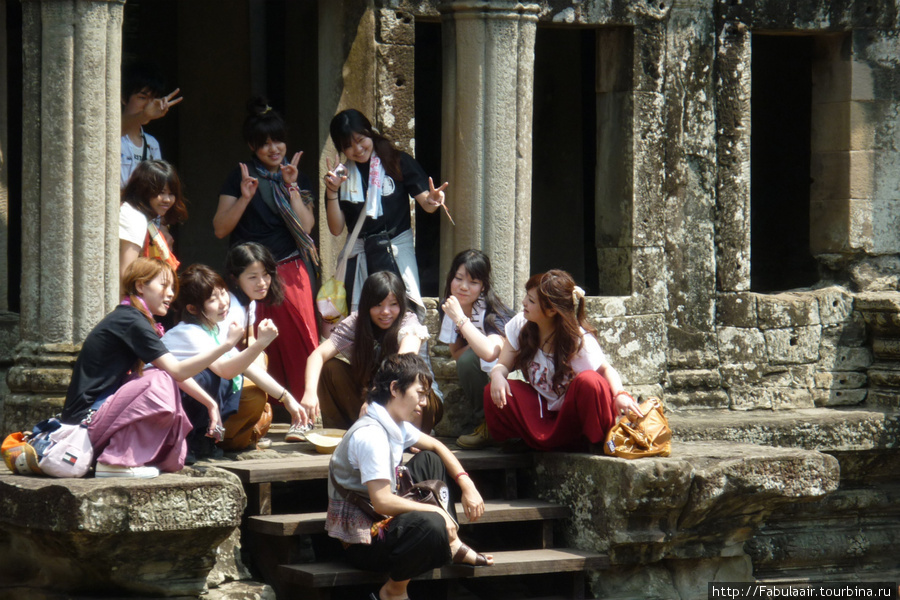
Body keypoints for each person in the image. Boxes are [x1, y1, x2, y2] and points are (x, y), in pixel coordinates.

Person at [325, 353, 492, 600]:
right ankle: (394, 590)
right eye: (420, 393)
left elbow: (437, 445)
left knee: (430, 459)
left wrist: (466, 483)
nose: (424, 402)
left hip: (380, 514)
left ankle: (453, 544)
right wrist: (438, 512)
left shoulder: (394, 423)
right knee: (433, 525)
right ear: (395, 388)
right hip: (362, 538)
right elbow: (382, 501)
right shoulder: (371, 435)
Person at [60, 258, 242, 478]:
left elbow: (175, 372)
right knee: (159, 379)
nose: (170, 294)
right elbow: (176, 372)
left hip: (93, 418)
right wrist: (228, 345)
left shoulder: (134, 318)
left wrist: (211, 404)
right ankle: (116, 462)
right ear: (140, 286)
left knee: (160, 376)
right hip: (86, 420)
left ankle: (133, 455)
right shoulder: (131, 320)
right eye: (163, 286)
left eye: (172, 288)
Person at [214, 98, 319, 402]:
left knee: (301, 342)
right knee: (254, 343)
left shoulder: (296, 175)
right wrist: (245, 197)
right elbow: (220, 228)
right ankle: (260, 411)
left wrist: (292, 188)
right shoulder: (241, 176)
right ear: (252, 146)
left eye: (279, 140)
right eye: (265, 143)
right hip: (251, 275)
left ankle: (305, 410)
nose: (274, 148)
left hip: (290, 269)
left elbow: (308, 226)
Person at [485, 270, 645, 452]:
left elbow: (606, 370)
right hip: (542, 410)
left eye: (531, 301)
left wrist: (620, 395)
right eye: (526, 297)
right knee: (494, 390)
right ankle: (520, 440)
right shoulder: (520, 324)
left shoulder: (579, 341)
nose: (524, 303)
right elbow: (503, 364)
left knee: (590, 381)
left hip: (573, 416)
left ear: (552, 310)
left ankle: (593, 441)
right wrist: (497, 374)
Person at [162, 264, 308, 462]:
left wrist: (287, 398)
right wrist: (261, 343)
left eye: (223, 294)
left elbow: (246, 366)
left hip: (188, 404)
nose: (223, 303)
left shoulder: (212, 329)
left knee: (240, 382)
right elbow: (226, 370)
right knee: (209, 377)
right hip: (165, 410)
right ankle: (188, 442)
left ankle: (204, 441)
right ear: (192, 309)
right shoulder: (187, 332)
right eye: (213, 299)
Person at [323, 108, 449, 315]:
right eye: (348, 145)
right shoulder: (340, 177)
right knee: (363, 320)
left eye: (360, 139)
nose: (357, 148)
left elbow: (426, 203)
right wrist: (332, 190)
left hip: (397, 250)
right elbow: (336, 229)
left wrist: (434, 199)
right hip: (362, 254)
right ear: (341, 149)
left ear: (369, 132)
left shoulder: (397, 162)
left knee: (405, 314)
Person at [300, 271, 443, 435]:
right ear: (367, 305)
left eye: (393, 304)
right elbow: (317, 355)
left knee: (410, 388)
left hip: (414, 399)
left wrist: (374, 398)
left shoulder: (409, 322)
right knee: (330, 369)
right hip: (372, 399)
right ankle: (342, 435)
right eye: (378, 305)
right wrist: (310, 393)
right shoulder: (356, 322)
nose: (386, 312)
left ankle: (411, 435)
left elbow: (401, 364)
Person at [438, 250, 514, 449]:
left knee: (472, 358)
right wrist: (474, 342)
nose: (463, 287)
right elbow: (456, 353)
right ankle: (485, 422)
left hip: (511, 371)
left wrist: (461, 321)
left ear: (483, 287)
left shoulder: (493, 313)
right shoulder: (450, 307)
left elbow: (491, 352)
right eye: (458, 278)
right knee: (468, 359)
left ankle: (493, 423)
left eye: (473, 282)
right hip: (485, 365)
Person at [119, 159, 187, 282]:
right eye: (161, 192)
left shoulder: (139, 216)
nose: (167, 199)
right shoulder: (134, 217)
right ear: (143, 190)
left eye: (171, 194)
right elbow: (126, 274)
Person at [120, 60, 182, 187]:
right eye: (142, 97)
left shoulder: (152, 144)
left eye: (153, 98)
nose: (149, 105)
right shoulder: (111, 134)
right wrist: (144, 115)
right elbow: (114, 130)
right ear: (123, 97)